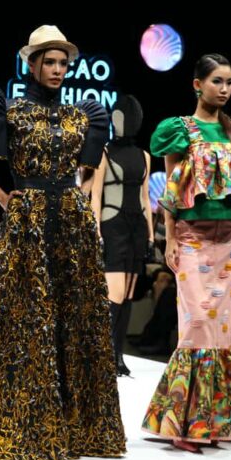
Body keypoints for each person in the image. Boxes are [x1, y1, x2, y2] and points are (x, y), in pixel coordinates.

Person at [0, 25, 125, 460]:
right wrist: (2, 196)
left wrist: (82, 193)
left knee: (75, 318)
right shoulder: (14, 112)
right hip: (28, 222)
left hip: (70, 224)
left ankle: (76, 427)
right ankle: (13, 423)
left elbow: (90, 166)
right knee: (16, 319)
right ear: (32, 65)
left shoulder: (80, 116)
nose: (57, 69)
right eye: (49, 62)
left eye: (62, 63)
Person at [140, 53, 231, 453]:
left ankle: (217, 421)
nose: (224, 89)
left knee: (219, 328)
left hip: (230, 237)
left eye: (229, 82)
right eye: (217, 81)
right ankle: (183, 422)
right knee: (196, 322)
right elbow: (172, 189)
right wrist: (170, 238)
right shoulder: (179, 131)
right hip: (192, 236)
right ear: (197, 85)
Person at [90, 94, 153, 376]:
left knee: (127, 295)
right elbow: (95, 195)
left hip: (137, 226)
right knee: (113, 294)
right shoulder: (103, 153)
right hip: (112, 224)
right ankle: (103, 353)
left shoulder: (145, 156)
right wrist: (96, 231)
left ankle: (117, 355)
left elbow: (145, 197)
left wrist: (150, 236)